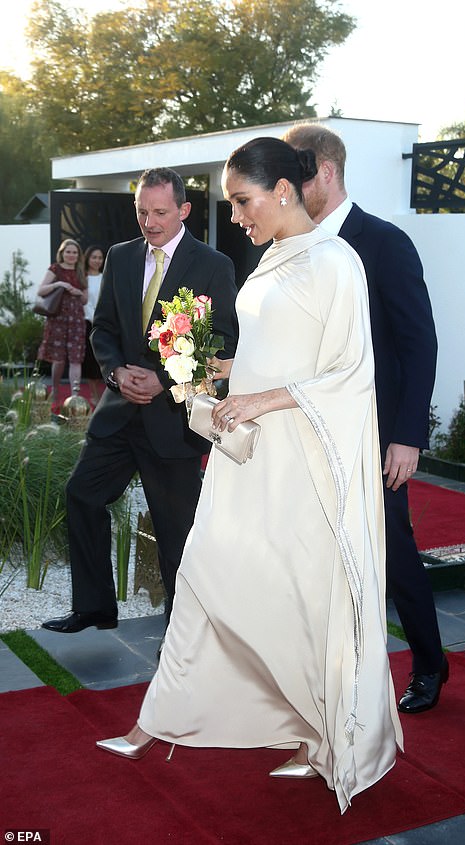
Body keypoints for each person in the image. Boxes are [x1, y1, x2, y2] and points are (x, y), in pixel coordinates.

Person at [96, 138, 403, 813]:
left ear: (285, 190)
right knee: (206, 571)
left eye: (242, 200)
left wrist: (261, 398)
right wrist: (214, 371)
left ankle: (318, 736)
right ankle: (159, 718)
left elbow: (350, 373)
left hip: (304, 464)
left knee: (302, 598)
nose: (234, 215)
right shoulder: (271, 258)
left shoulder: (336, 261)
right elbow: (267, 353)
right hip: (252, 457)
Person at [283, 123, 446, 714]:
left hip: (376, 434)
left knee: (392, 552)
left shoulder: (384, 242)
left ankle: (429, 662)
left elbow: (418, 343)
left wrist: (407, 436)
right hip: (309, 426)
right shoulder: (292, 246)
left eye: (296, 176)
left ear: (325, 170)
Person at [42, 167, 238, 634]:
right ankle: (94, 608)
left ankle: (179, 636)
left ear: (184, 210)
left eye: (160, 212)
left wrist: (165, 379)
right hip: (118, 416)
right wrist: (113, 372)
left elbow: (224, 345)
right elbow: (104, 329)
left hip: (173, 424)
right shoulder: (121, 256)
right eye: (142, 212)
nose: (149, 222)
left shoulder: (214, 265)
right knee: (82, 496)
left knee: (176, 538)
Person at [36, 238, 88, 408]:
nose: (71, 255)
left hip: (76, 319)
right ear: (62, 253)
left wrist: (77, 292)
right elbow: (41, 290)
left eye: (74, 252)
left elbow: (85, 300)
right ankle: (56, 388)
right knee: (58, 359)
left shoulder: (81, 271)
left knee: (75, 359)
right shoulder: (55, 269)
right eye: (68, 252)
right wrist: (59, 283)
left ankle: (74, 395)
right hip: (58, 318)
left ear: (78, 255)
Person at [82, 244, 106, 405]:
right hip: (88, 323)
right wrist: (93, 318)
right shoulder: (82, 278)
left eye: (100, 257)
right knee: (90, 360)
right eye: (94, 257)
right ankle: (93, 395)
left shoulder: (106, 277)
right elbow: (85, 303)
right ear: (87, 258)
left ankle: (104, 396)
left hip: (105, 323)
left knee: (103, 360)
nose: (97, 260)